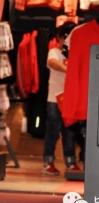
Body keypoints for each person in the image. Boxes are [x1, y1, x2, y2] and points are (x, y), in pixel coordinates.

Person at [43, 22, 81, 176]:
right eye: (65, 37)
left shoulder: (76, 53)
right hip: (55, 98)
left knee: (70, 132)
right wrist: (69, 69)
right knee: (53, 130)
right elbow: (51, 63)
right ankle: (48, 162)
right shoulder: (54, 51)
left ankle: (70, 162)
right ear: (58, 37)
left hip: (71, 98)